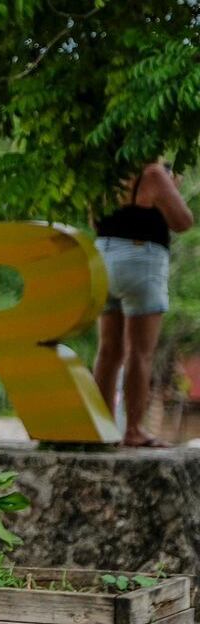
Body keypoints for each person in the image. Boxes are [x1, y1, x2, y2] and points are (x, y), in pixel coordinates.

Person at [93, 160, 194, 448]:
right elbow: (183, 221)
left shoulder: (106, 172)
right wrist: (171, 189)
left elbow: (94, 219)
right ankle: (134, 429)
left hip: (103, 257)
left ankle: (103, 427)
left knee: (108, 349)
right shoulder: (151, 172)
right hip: (141, 258)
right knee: (140, 352)